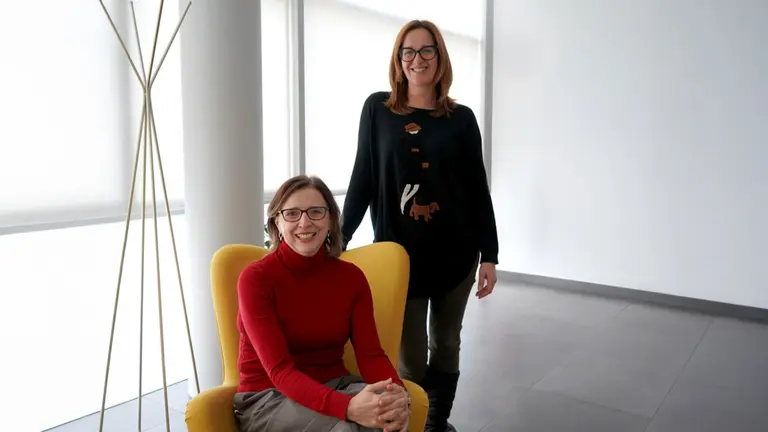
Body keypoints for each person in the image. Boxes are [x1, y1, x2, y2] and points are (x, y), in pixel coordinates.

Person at [341, 19, 499, 432]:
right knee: (410, 356)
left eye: (426, 50)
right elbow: (363, 176)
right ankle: (416, 420)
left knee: (446, 343)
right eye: (408, 52)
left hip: (456, 255)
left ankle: (436, 422)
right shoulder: (377, 109)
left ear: (439, 57)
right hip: (399, 257)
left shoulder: (461, 119)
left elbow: (477, 190)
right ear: (398, 61)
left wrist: (491, 255)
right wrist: (340, 237)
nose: (417, 59)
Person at [234, 175, 412, 432]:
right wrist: (348, 408)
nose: (304, 222)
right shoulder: (255, 279)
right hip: (268, 397)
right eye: (292, 213)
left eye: (316, 211)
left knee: (389, 416)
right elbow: (280, 371)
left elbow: (371, 354)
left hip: (336, 383)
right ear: (277, 222)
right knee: (348, 428)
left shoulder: (351, 278)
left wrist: (397, 395)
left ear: (330, 220)